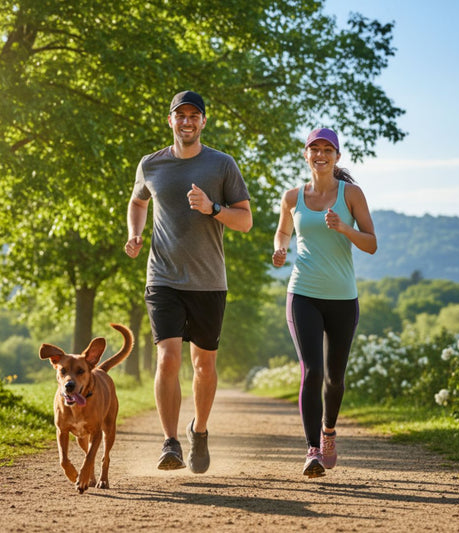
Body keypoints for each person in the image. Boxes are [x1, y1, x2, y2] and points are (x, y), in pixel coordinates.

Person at [125, 90, 252, 474]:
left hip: (209, 280)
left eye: (194, 115)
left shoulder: (222, 165)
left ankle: (199, 429)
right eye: (180, 115)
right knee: (168, 358)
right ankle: (170, 442)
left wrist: (213, 208)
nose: (187, 121)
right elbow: (138, 201)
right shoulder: (151, 164)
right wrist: (135, 233)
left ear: (203, 122)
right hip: (162, 276)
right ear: (170, 121)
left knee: (204, 366)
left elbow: (245, 221)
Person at [272, 127, 377, 478]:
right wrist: (281, 246)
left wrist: (343, 228)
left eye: (327, 149)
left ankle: (328, 431)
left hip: (343, 298)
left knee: (335, 377)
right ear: (305, 155)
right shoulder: (292, 196)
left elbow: (371, 243)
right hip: (303, 293)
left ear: (337, 156)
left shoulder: (352, 194)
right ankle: (312, 450)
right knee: (312, 371)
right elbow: (284, 229)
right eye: (314, 149)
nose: (320, 154)